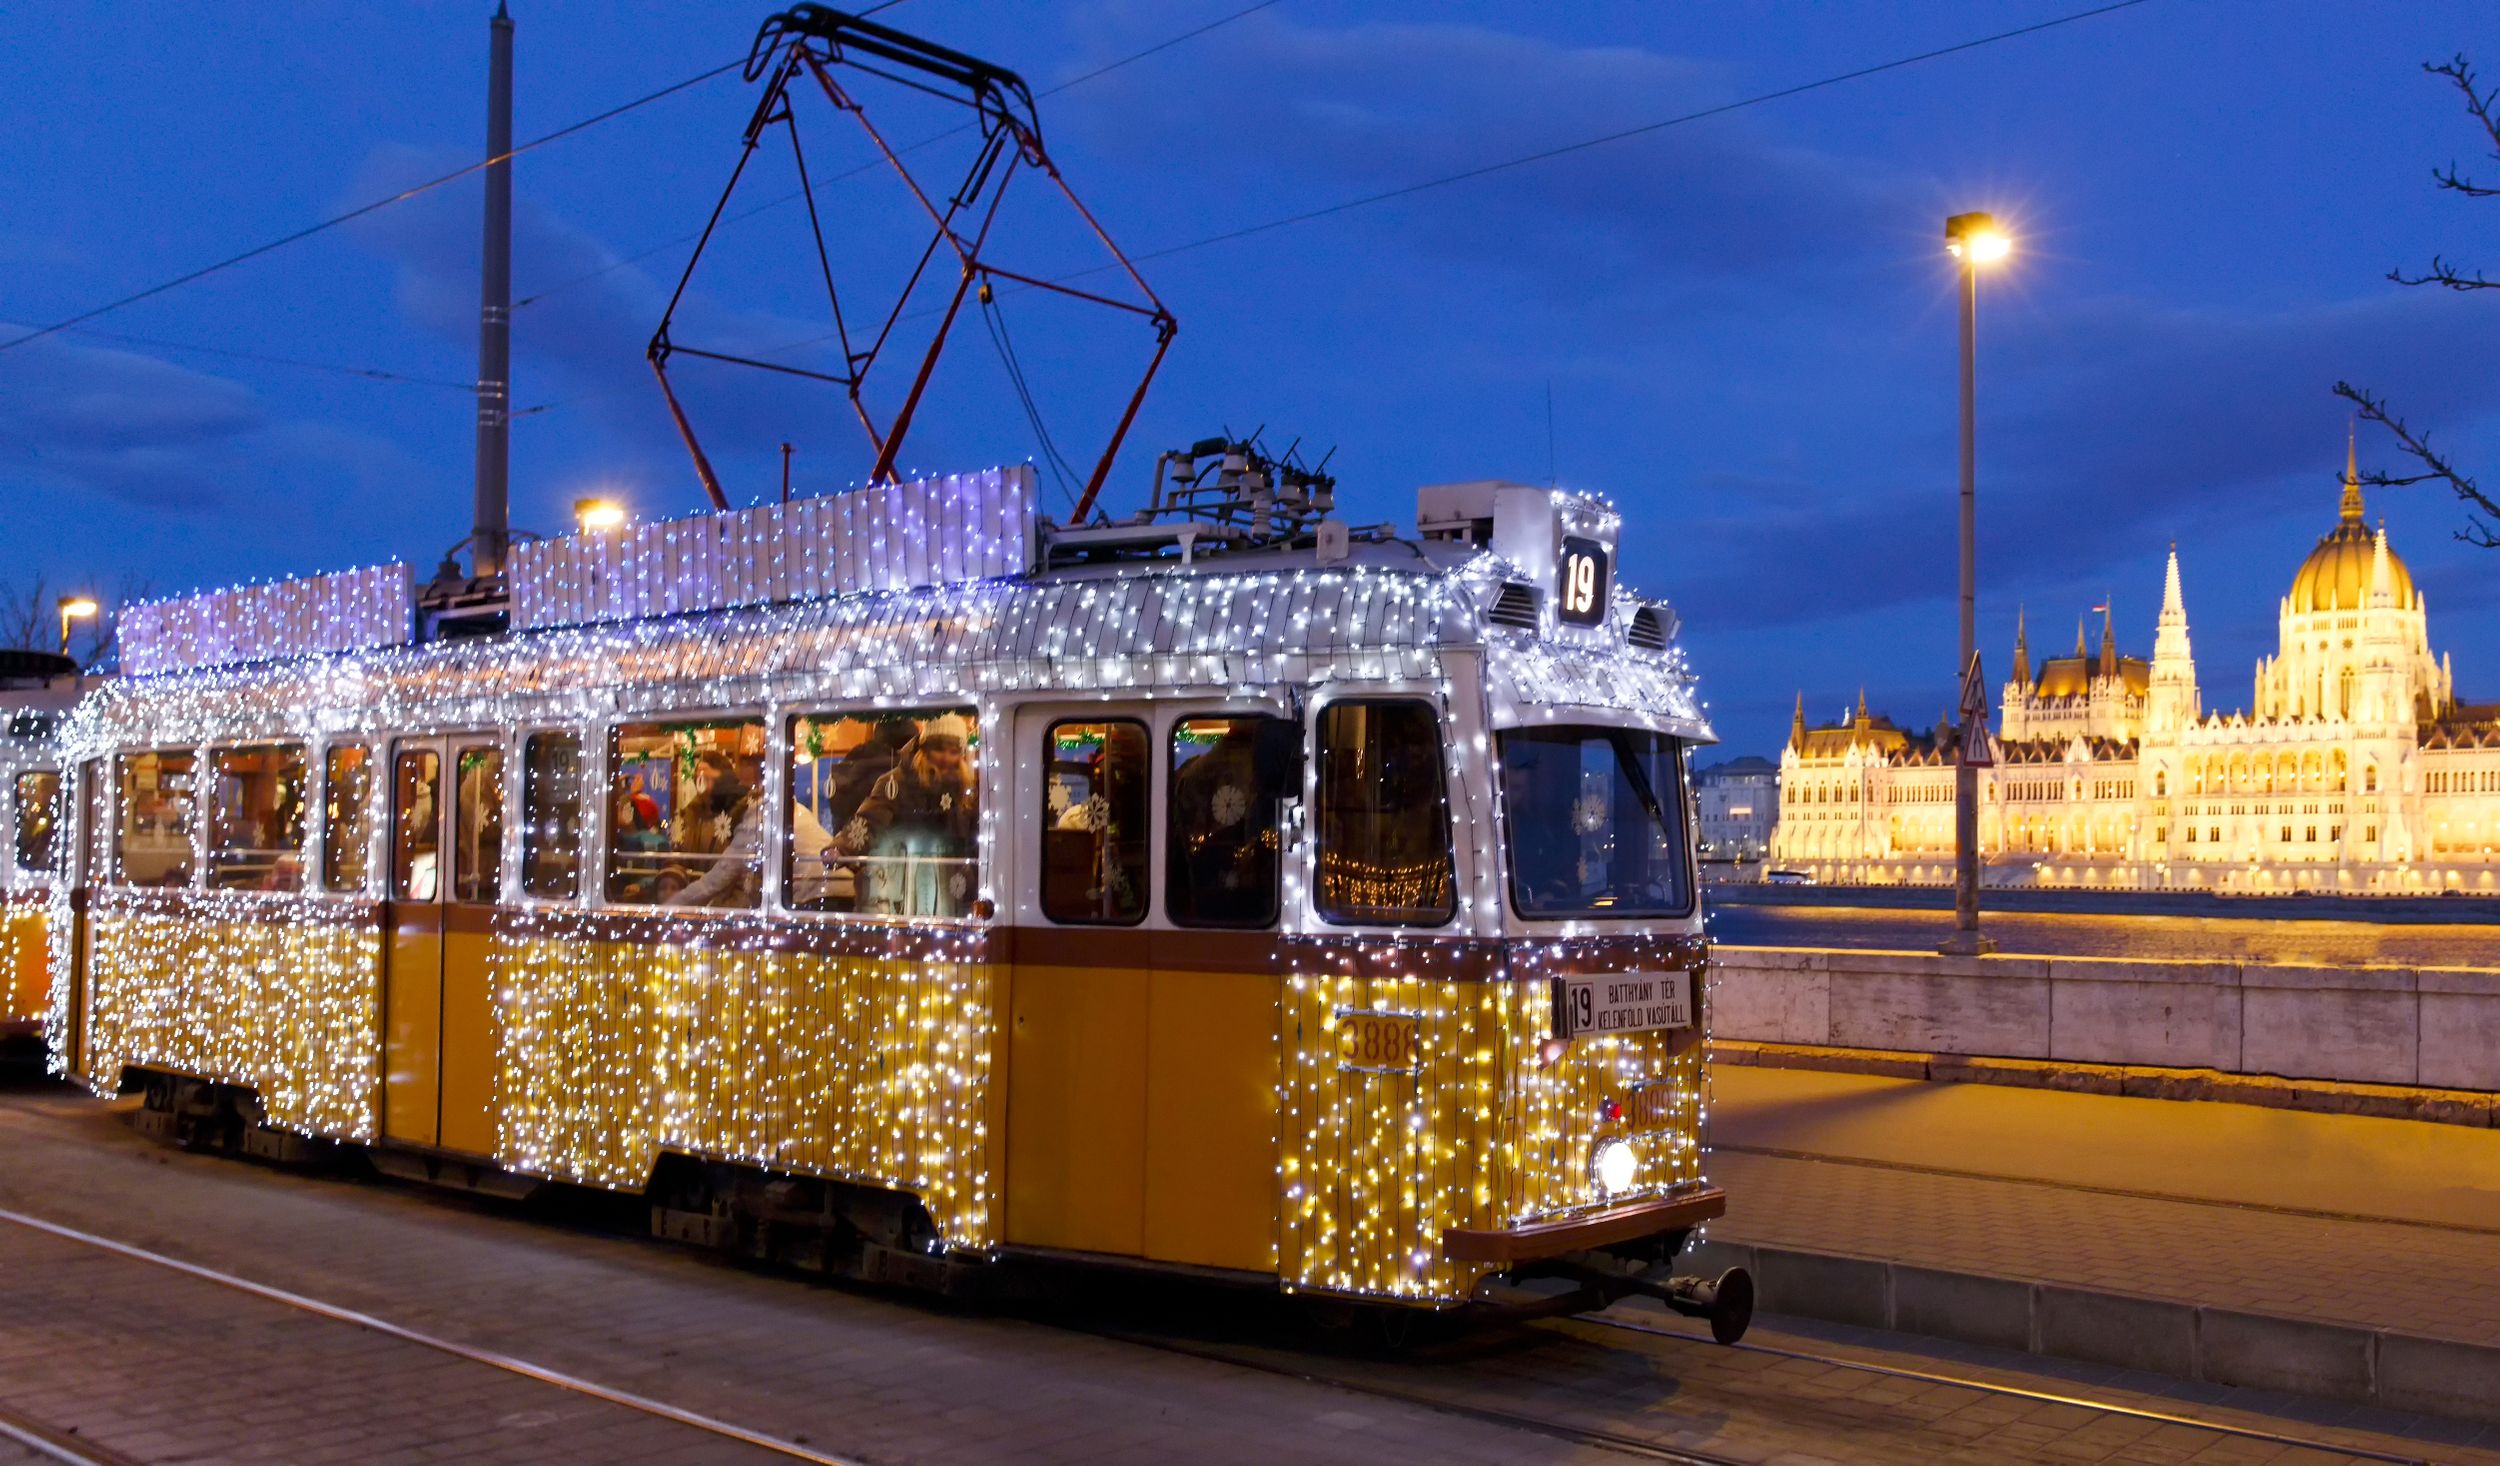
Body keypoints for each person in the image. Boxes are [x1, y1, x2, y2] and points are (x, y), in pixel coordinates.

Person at [836, 712, 978, 914]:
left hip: (953, 887)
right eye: (939, 749)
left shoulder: (966, 791)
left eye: (954, 751)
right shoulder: (897, 782)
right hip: (904, 884)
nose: (946, 758)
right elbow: (870, 819)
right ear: (924, 750)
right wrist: (841, 848)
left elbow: (975, 838)